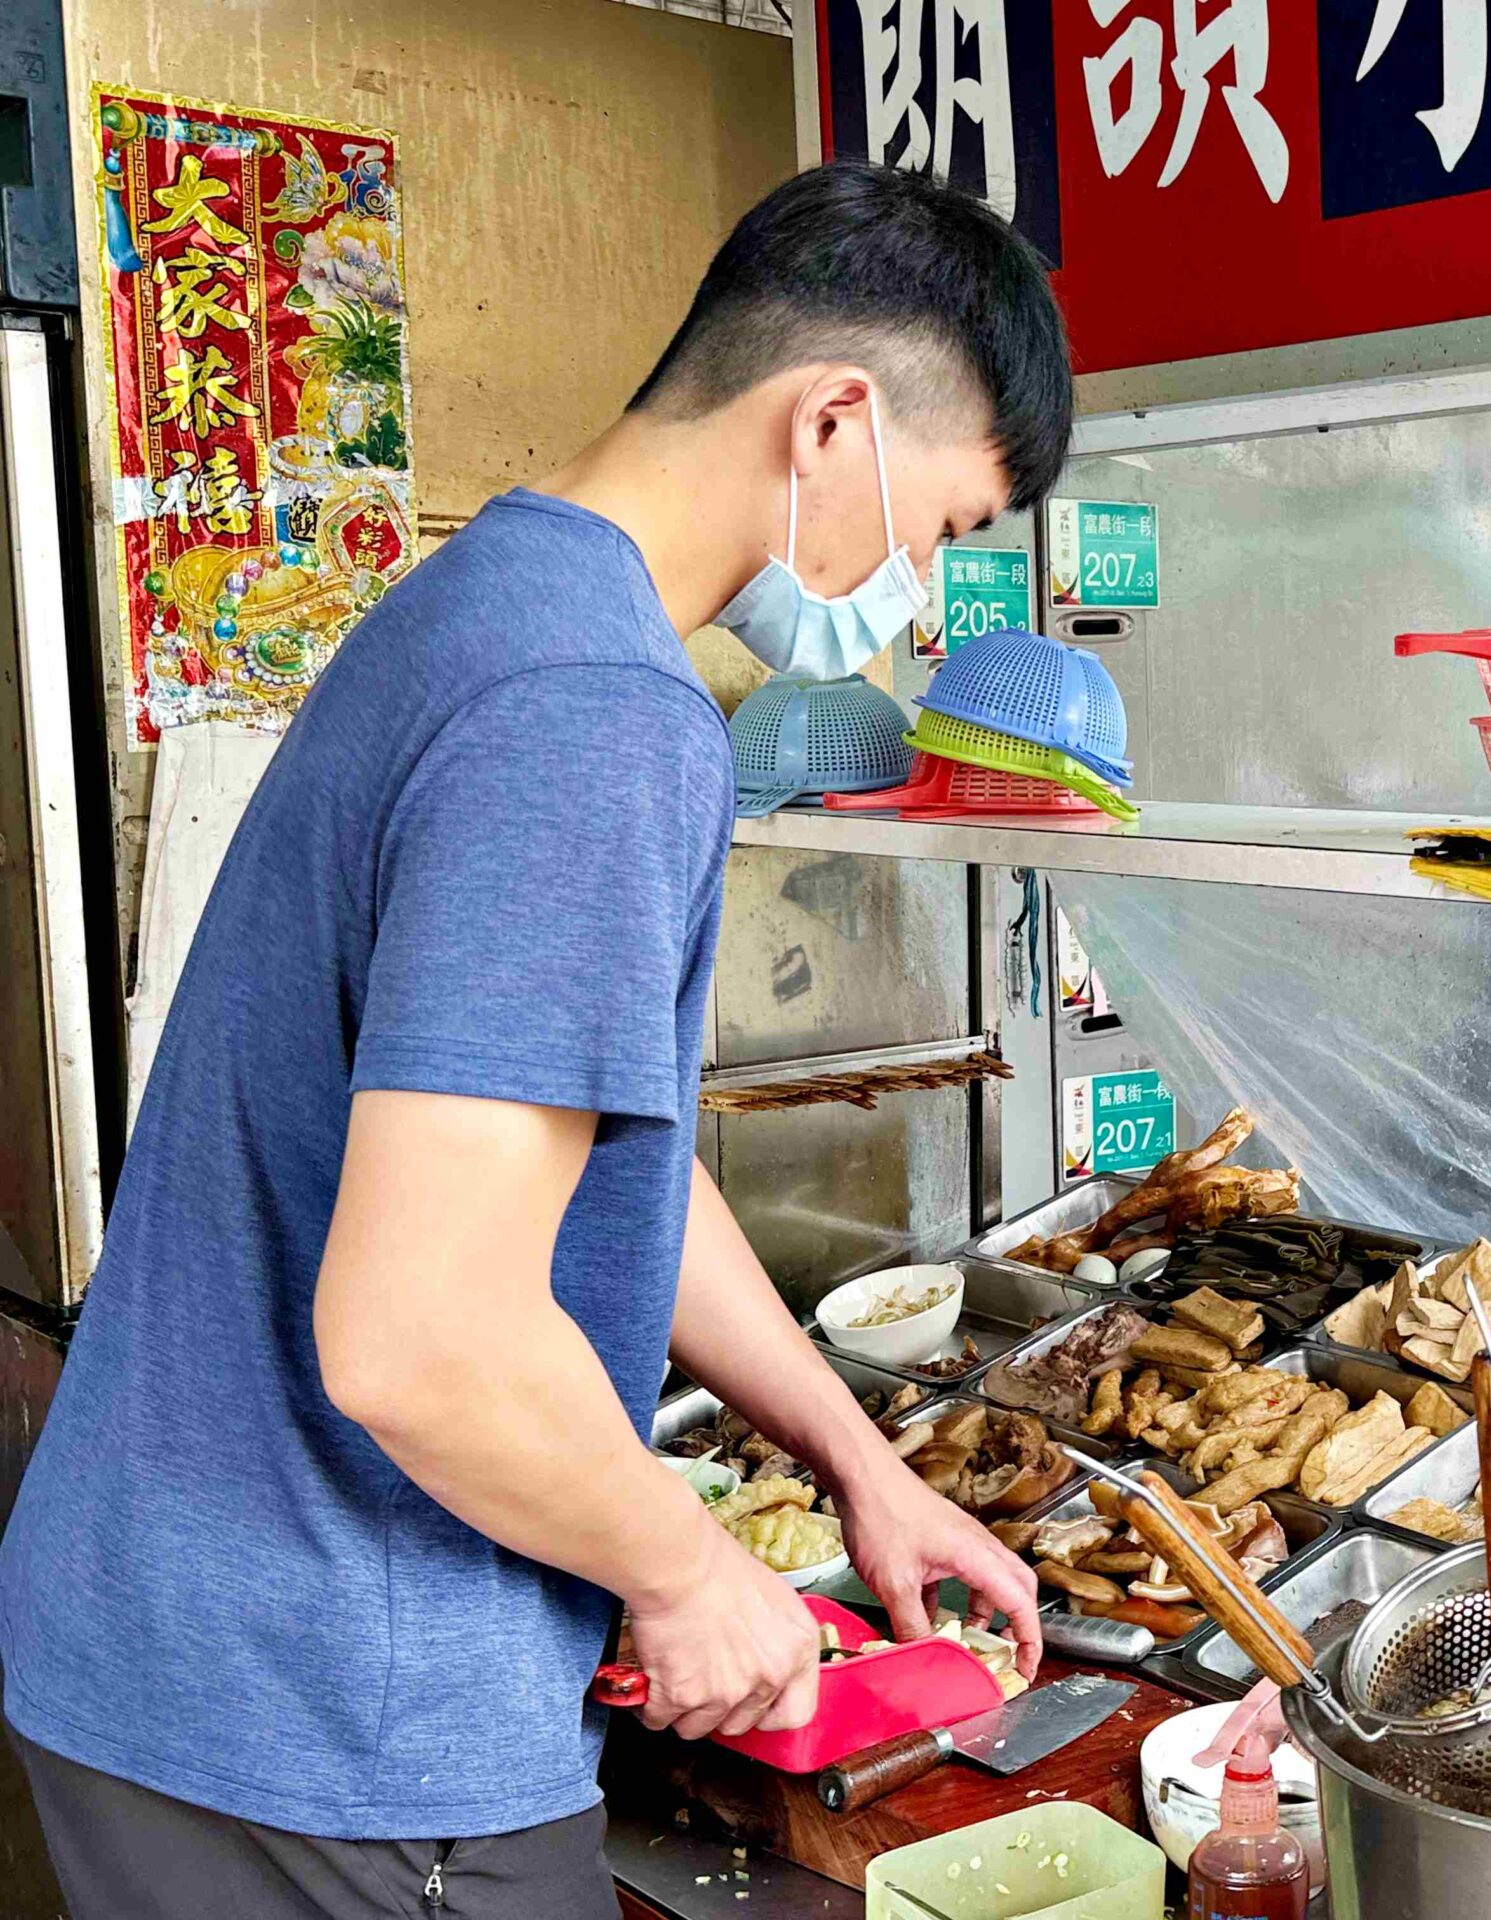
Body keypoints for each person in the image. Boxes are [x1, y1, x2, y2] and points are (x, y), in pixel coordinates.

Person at [0, 160, 1074, 1917]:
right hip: (328, 1707)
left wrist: (854, 1463)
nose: (922, 597)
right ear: (834, 422)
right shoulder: (596, 712)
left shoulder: (481, 604)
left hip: (168, 1636)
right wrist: (688, 1571)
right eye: (944, 530)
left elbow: (593, 1165)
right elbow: (418, 1340)